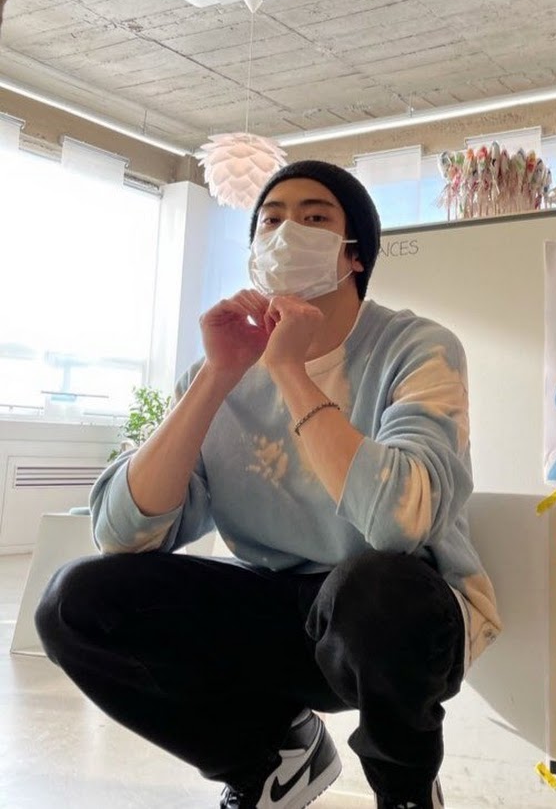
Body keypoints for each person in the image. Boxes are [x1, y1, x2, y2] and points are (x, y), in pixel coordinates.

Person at [35, 160, 501, 809]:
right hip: (278, 610)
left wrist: (290, 372)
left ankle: (405, 791)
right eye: (270, 220)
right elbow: (121, 532)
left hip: (402, 620)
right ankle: (271, 758)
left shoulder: (416, 347)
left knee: (376, 589)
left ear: (355, 253)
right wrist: (217, 376)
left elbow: (400, 524)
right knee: (74, 602)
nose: (286, 233)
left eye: (314, 217)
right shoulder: (226, 367)